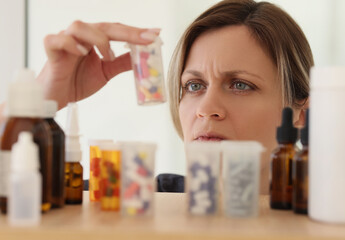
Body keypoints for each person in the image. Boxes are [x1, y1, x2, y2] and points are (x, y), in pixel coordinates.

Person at [0, 0, 313, 194]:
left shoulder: (339, 215)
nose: (206, 109)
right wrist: (35, 103)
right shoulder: (136, 201)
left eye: (240, 85)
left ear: (300, 111)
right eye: (194, 86)